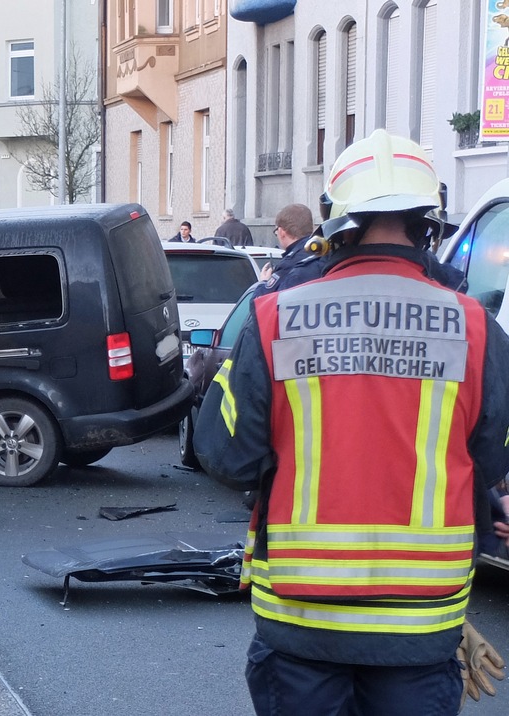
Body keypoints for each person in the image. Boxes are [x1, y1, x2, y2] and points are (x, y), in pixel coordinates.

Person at [194, 129, 509, 715]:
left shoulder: (275, 318)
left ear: (336, 221)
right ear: (428, 221)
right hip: (422, 622)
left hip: (300, 619)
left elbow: (224, 453)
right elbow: (491, 459)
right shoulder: (476, 328)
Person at [254, 203, 320, 297]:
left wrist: (263, 282)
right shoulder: (322, 253)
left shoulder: (289, 264)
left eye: (276, 232)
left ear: (281, 232)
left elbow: (258, 303)